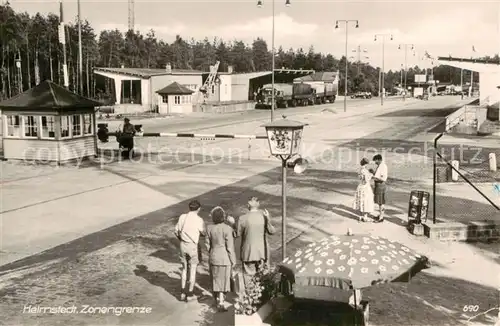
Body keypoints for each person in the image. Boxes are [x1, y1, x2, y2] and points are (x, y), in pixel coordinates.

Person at [234, 197, 275, 287]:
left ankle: (250, 297)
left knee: (248, 276)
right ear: (258, 205)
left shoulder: (243, 218)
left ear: (248, 206)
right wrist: (268, 219)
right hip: (262, 253)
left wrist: (233, 223)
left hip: (248, 252)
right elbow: (272, 231)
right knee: (262, 276)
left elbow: (237, 234)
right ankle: (260, 296)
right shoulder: (264, 217)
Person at [205, 206, 236, 312]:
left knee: (215, 278)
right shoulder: (228, 229)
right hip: (225, 258)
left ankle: (215, 299)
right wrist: (233, 260)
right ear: (223, 217)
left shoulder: (209, 228)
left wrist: (211, 252)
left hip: (213, 256)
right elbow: (230, 247)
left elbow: (207, 244)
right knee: (224, 280)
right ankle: (221, 302)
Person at [174, 200, 205, 302]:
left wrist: (181, 239)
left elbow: (176, 231)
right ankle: (190, 294)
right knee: (193, 269)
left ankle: (182, 292)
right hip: (193, 246)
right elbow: (203, 232)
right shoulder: (199, 219)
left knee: (184, 269)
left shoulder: (182, 217)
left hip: (183, 244)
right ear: (198, 209)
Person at [353, 158, 375, 222]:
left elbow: (360, 178)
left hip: (360, 186)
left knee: (360, 201)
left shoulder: (360, 169)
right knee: (366, 201)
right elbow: (366, 180)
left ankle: (360, 216)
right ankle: (365, 217)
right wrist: (371, 174)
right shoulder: (365, 170)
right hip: (365, 187)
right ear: (366, 164)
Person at [372, 154, 388, 222]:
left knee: (381, 202)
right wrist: (373, 173)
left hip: (380, 185)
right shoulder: (380, 166)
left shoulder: (383, 167)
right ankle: (380, 215)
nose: (375, 162)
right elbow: (378, 175)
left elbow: (382, 179)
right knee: (379, 202)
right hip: (378, 185)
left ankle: (381, 218)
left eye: (375, 161)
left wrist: (373, 178)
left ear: (379, 160)